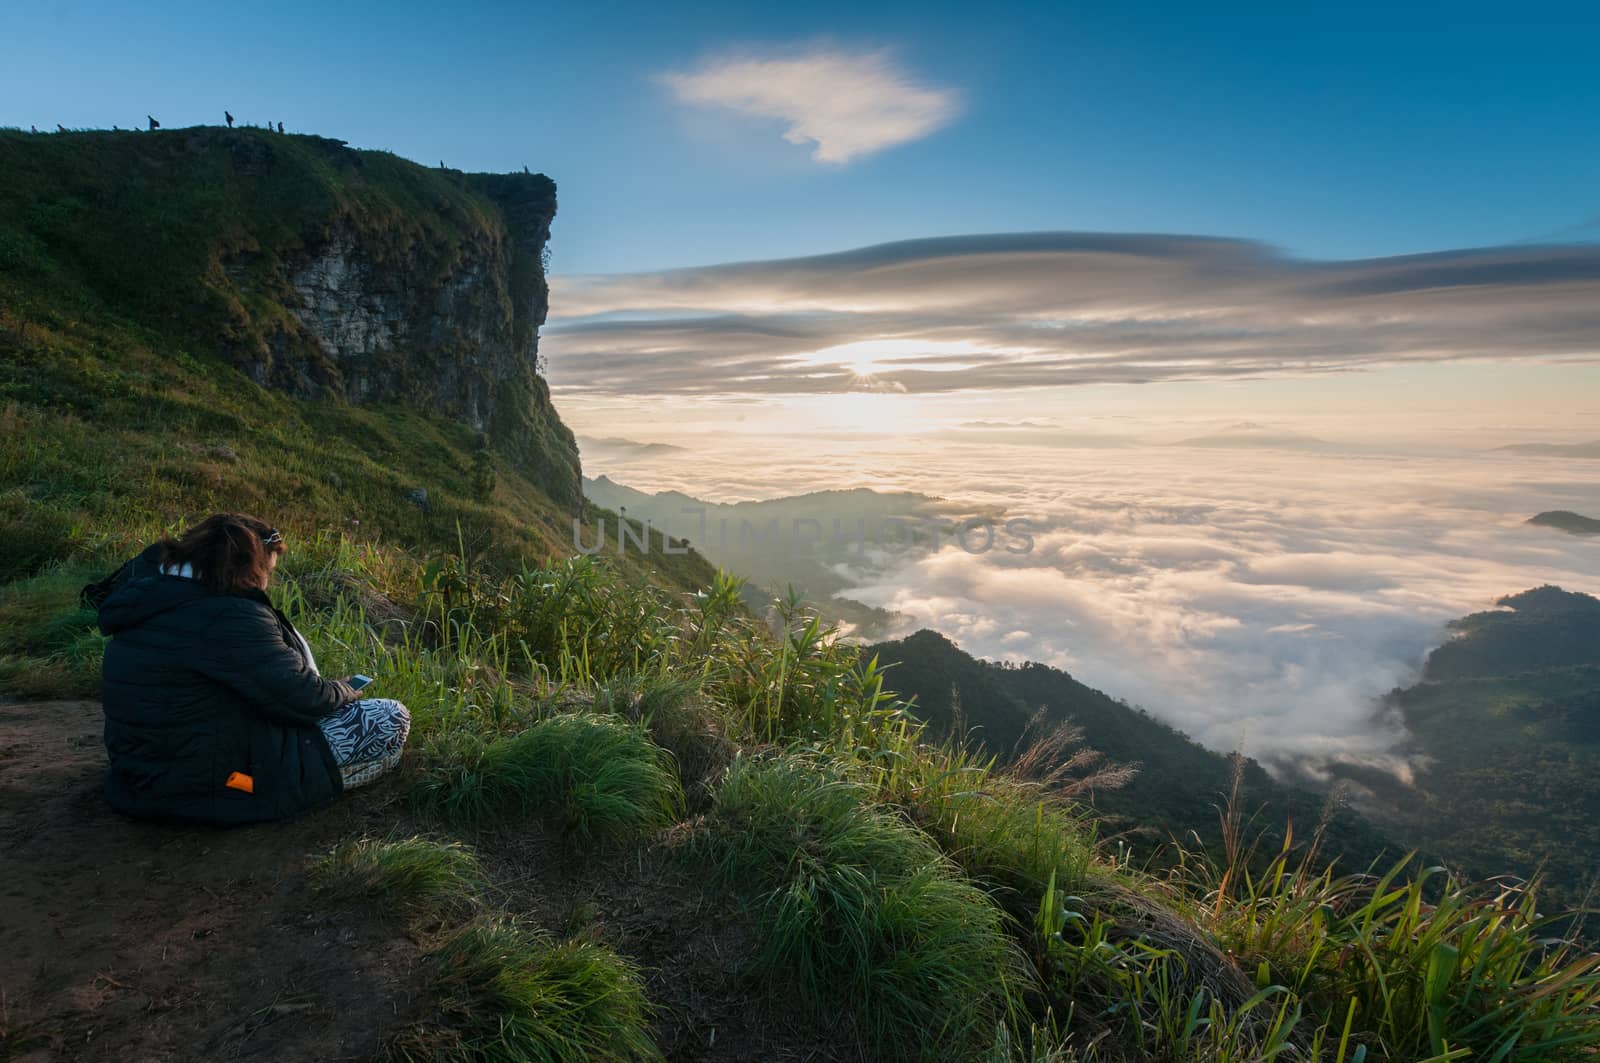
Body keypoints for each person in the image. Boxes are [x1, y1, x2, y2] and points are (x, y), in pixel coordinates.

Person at [84, 513, 410, 825]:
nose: (267, 581)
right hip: (217, 786)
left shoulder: (149, 598)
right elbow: (304, 700)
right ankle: (328, 781)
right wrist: (346, 688)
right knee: (389, 716)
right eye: (268, 570)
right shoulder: (232, 616)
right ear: (247, 567)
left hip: (137, 777)